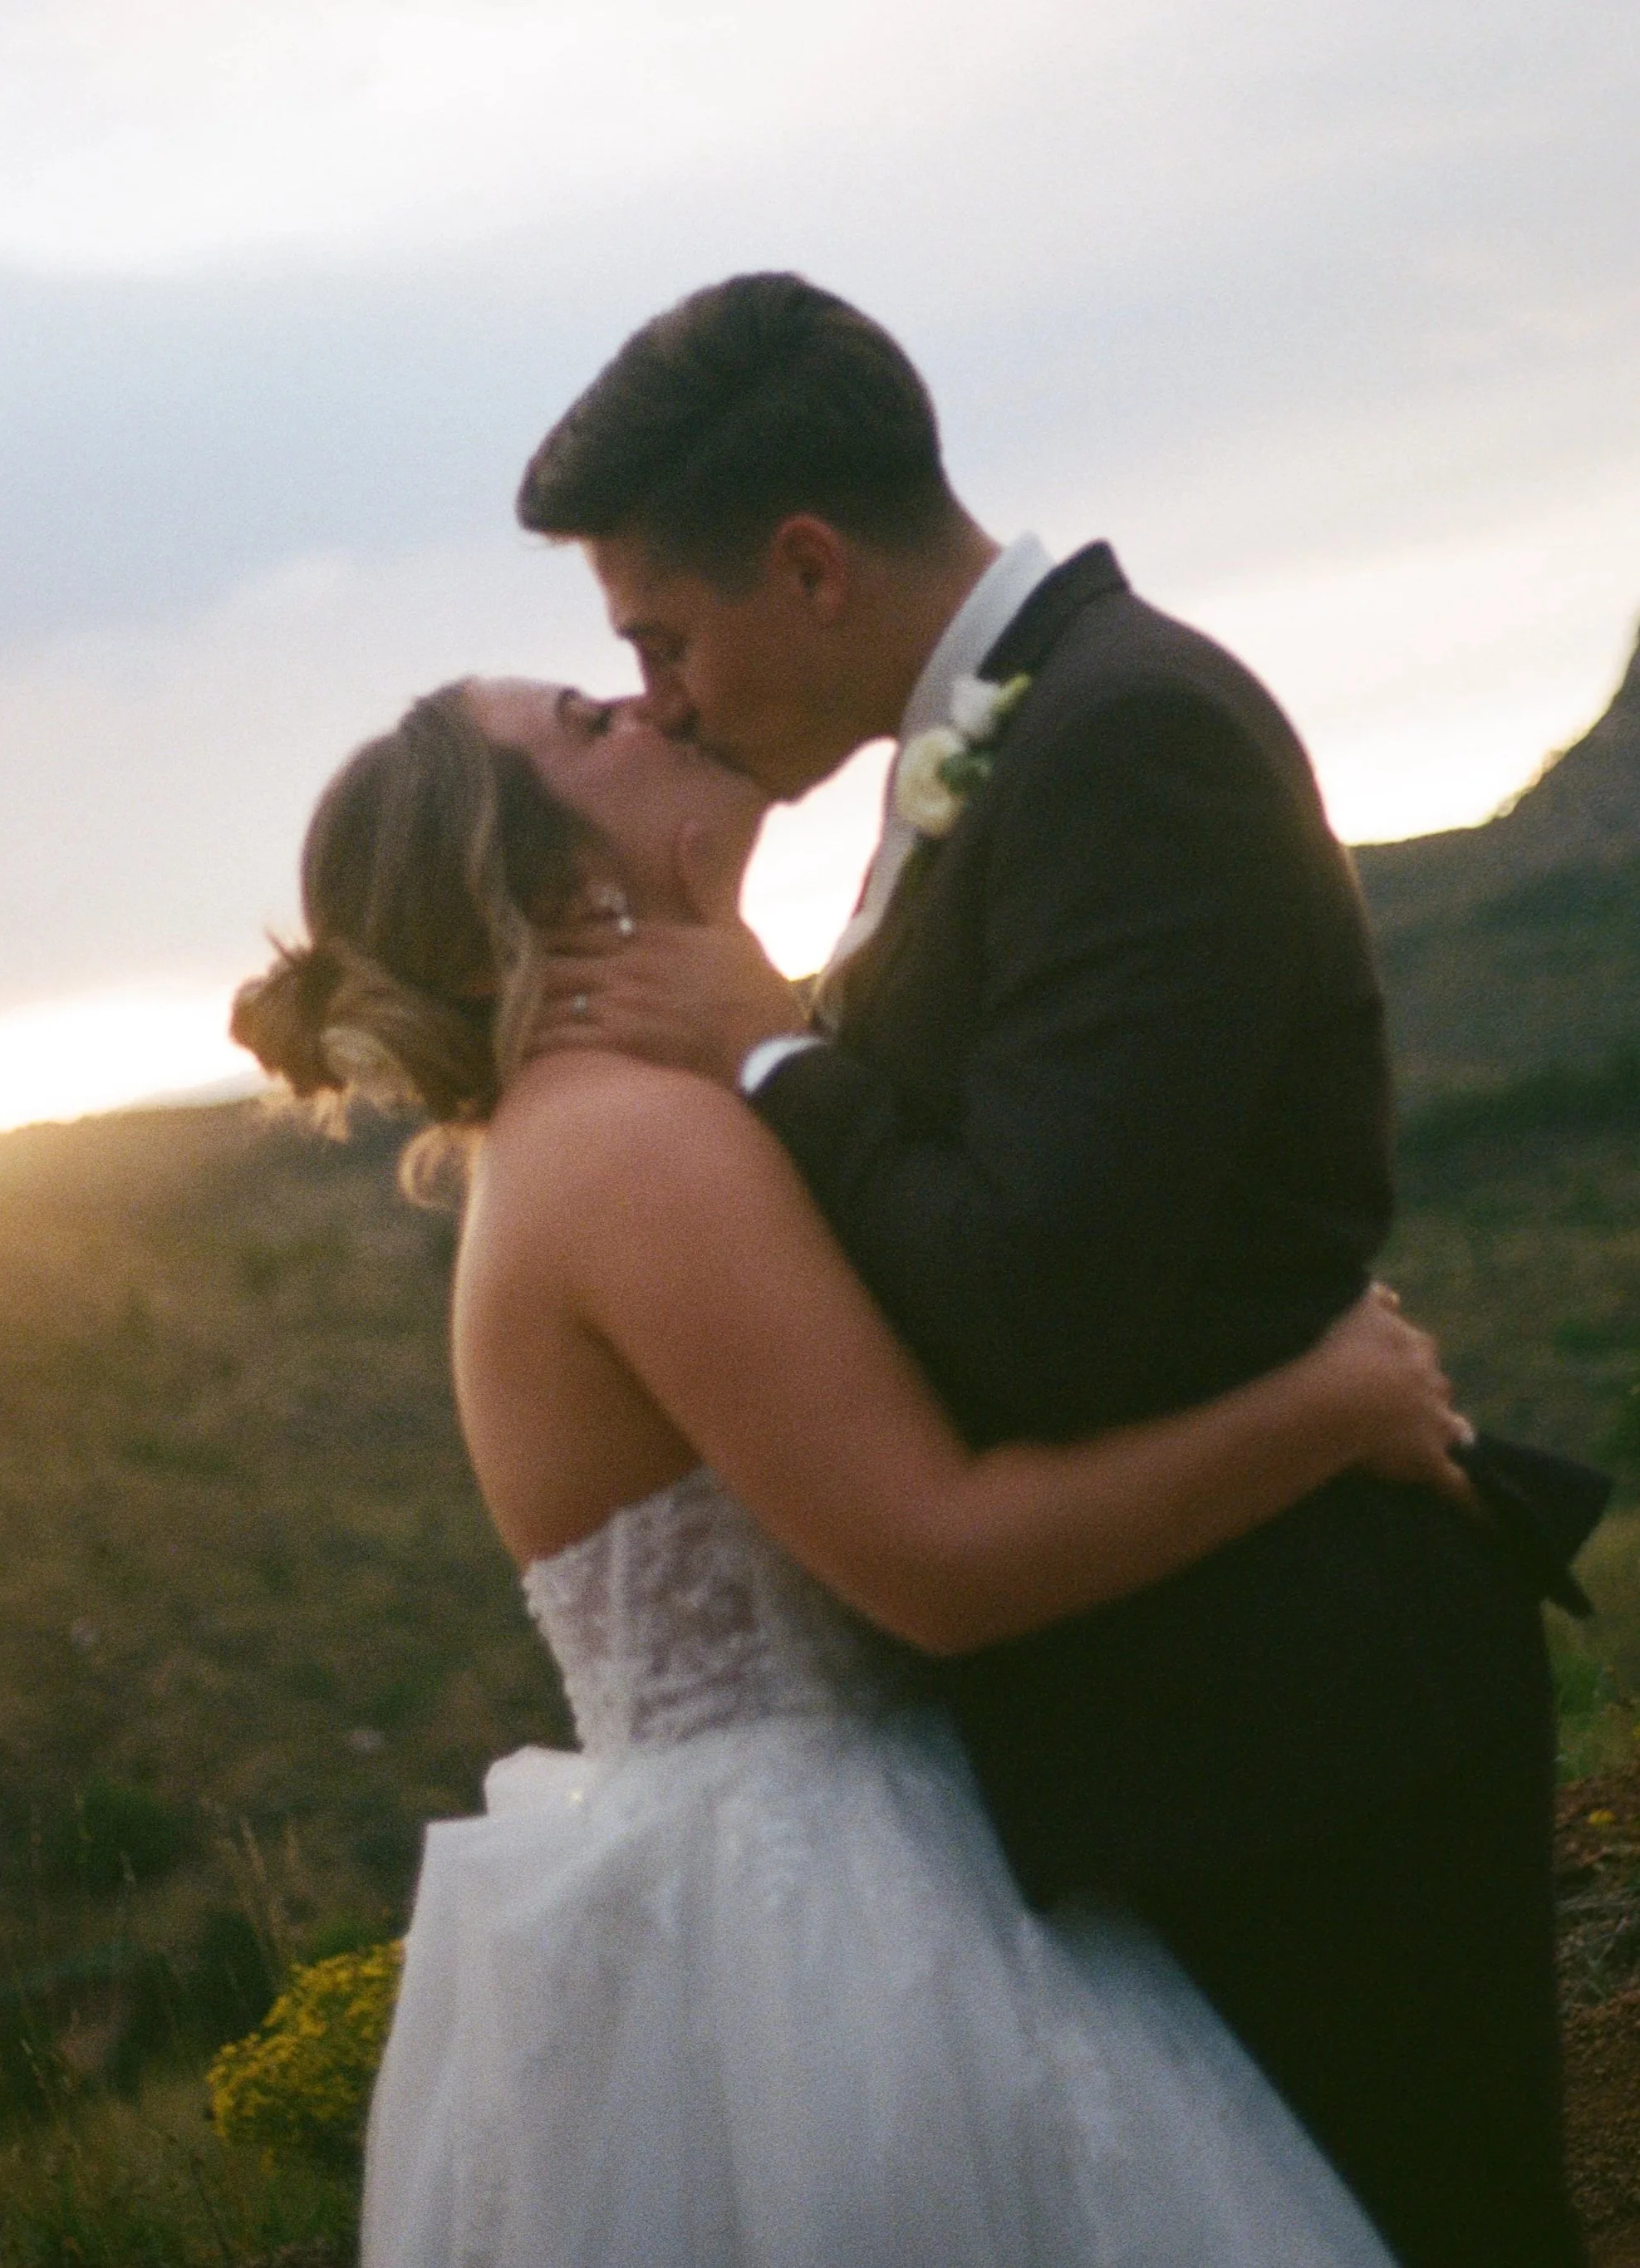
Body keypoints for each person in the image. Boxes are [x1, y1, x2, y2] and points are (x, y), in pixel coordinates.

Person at [513, 273, 1583, 2268]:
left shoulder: (1129, 736)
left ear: (809, 565)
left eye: (662, 638)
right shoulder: (1013, 742)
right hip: (1198, 1724)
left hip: (1306, 1714)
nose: (662, 698)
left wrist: (773, 1054)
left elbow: (1040, 1304)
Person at [230, 679, 1470, 2266]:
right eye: (589, 721)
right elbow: (940, 1561)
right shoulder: (625, 1144)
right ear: (543, 889)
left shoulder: (622, 1120)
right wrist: (1327, 1404)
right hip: (833, 1936)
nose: (652, 702)